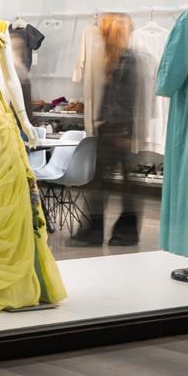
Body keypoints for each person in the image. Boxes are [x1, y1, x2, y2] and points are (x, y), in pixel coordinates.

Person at [68, 14, 147, 247]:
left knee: (108, 185)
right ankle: (118, 232)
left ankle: (100, 232)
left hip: (117, 130)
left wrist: (124, 131)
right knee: (119, 185)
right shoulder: (118, 59)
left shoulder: (127, 60)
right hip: (114, 129)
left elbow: (129, 98)